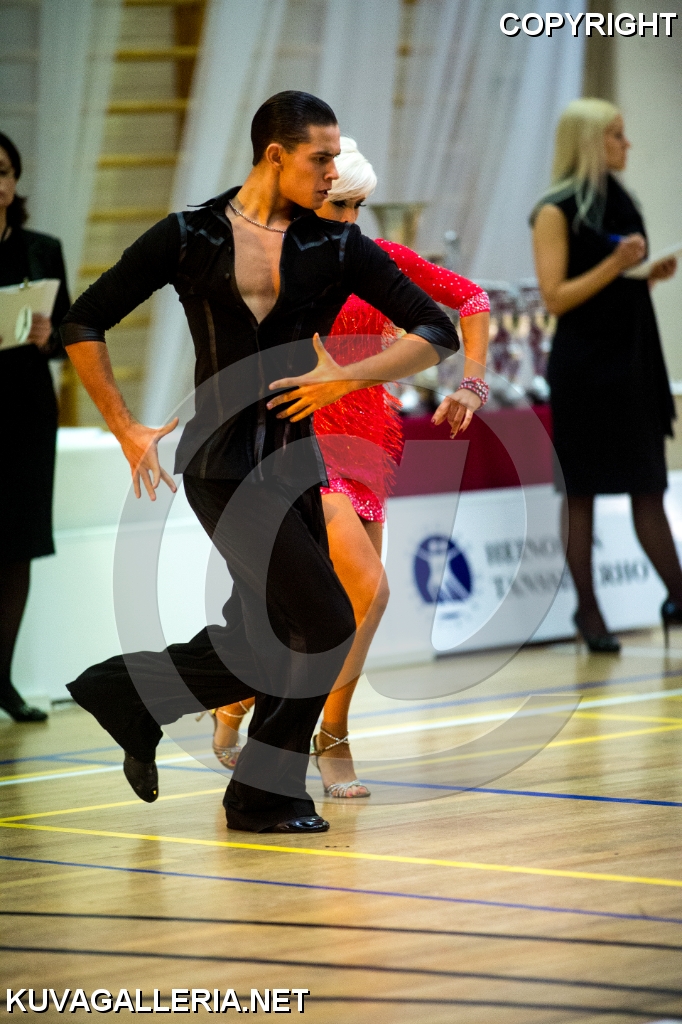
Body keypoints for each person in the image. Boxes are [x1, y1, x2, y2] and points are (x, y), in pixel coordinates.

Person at [61, 92, 461, 834]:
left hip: (296, 466)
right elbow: (83, 317)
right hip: (221, 463)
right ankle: (261, 792)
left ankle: (126, 693)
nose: (333, 172)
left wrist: (347, 378)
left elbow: (437, 331)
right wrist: (124, 427)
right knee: (325, 621)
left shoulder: (336, 246)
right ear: (275, 155)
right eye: (321, 158)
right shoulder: (188, 235)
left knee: (263, 636)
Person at [213, 138, 490, 798]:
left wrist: (472, 384)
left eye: (359, 206)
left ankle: (241, 697)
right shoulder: (270, 263)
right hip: (302, 442)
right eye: (339, 205)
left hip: (372, 447)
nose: (349, 220)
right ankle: (329, 734)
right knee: (370, 592)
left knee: (337, 609)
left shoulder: (377, 258)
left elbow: (472, 299)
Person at [531, 98, 680, 652]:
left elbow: (612, 285)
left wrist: (646, 275)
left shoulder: (621, 200)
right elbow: (555, 297)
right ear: (590, 142)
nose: (627, 143)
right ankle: (588, 612)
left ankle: (678, 597)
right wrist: (616, 266)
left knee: (649, 487)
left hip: (634, 362)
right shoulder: (555, 210)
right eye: (616, 134)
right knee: (582, 495)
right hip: (586, 371)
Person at [0, 132, 70, 722]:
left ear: (15, 181)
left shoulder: (42, 250)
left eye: (2, 171)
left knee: (17, 547)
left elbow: (72, 336)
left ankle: (4, 680)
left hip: (24, 412)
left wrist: (51, 338)